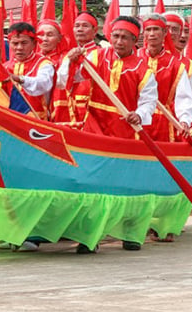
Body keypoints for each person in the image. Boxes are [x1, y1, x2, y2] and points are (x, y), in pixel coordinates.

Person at [59, 16, 158, 253]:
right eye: (115, 36)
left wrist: (139, 115)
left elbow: (149, 103)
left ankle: (131, 234)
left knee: (127, 186)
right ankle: (88, 237)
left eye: (125, 37)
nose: (119, 41)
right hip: (94, 127)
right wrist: (69, 62)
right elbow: (67, 80)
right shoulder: (95, 57)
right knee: (93, 184)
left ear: (135, 40)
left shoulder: (142, 69)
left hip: (124, 131)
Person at [137, 14, 192, 142]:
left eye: (156, 29)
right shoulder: (135, 58)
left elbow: (184, 97)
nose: (152, 34)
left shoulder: (175, 65)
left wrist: (185, 120)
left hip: (163, 121)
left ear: (164, 32)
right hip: (136, 119)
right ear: (144, 33)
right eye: (148, 29)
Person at [52, 12, 100, 123]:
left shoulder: (101, 54)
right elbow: (60, 83)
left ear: (95, 30)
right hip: (71, 110)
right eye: (77, 26)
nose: (80, 29)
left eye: (85, 26)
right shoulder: (67, 56)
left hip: (93, 111)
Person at [3, 22, 55, 120]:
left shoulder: (44, 64)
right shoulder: (5, 67)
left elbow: (43, 84)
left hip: (37, 121)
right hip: (12, 120)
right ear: (9, 44)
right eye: (15, 43)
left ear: (34, 44)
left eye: (24, 43)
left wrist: (19, 79)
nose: (19, 48)